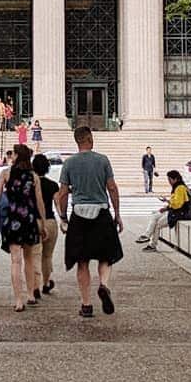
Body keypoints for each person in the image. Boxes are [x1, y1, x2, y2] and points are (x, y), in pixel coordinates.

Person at [55, 124, 123, 318]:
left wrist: (63, 217)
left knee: (82, 262)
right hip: (101, 212)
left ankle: (86, 305)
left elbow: (62, 193)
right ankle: (104, 285)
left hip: (79, 214)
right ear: (90, 139)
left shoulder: (69, 163)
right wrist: (116, 214)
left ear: (77, 141)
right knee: (106, 256)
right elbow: (112, 187)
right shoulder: (102, 160)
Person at [0, 144, 46, 311]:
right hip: (29, 219)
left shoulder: (6, 173)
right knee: (29, 259)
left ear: (17, 156)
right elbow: (39, 202)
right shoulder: (33, 176)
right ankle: (30, 294)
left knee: (15, 261)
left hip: (12, 219)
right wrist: (43, 223)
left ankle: (18, 300)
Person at [140, 170, 191, 250]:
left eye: (170, 179)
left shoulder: (180, 188)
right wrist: (166, 208)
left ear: (175, 179)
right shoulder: (177, 187)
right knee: (155, 215)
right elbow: (175, 203)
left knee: (158, 224)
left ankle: (152, 245)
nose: (169, 182)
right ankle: (147, 235)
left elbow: (177, 205)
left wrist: (168, 202)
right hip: (174, 211)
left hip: (179, 213)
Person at [32, 153, 59, 298]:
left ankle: (35, 285)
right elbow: (58, 204)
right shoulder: (53, 185)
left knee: (34, 255)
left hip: (34, 221)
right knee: (47, 256)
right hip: (50, 220)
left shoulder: (31, 184)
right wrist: (63, 219)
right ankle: (46, 283)